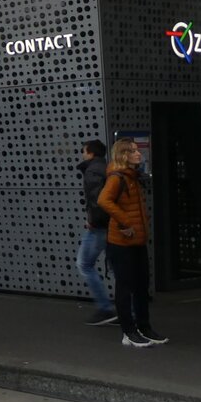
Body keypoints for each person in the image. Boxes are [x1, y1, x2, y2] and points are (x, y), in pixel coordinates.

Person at [98, 138, 167, 348]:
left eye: (138, 150)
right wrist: (126, 222)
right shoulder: (117, 177)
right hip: (121, 243)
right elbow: (103, 200)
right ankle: (128, 332)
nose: (139, 154)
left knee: (141, 286)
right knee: (125, 287)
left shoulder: (132, 176)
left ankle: (144, 328)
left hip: (137, 241)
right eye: (134, 151)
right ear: (124, 155)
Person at [76, 139, 116, 326]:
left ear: (91, 153)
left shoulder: (92, 171)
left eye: (84, 151)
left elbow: (97, 200)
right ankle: (128, 310)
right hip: (112, 225)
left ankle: (105, 308)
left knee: (84, 264)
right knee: (116, 268)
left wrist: (93, 221)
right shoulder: (107, 167)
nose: (82, 154)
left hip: (99, 227)